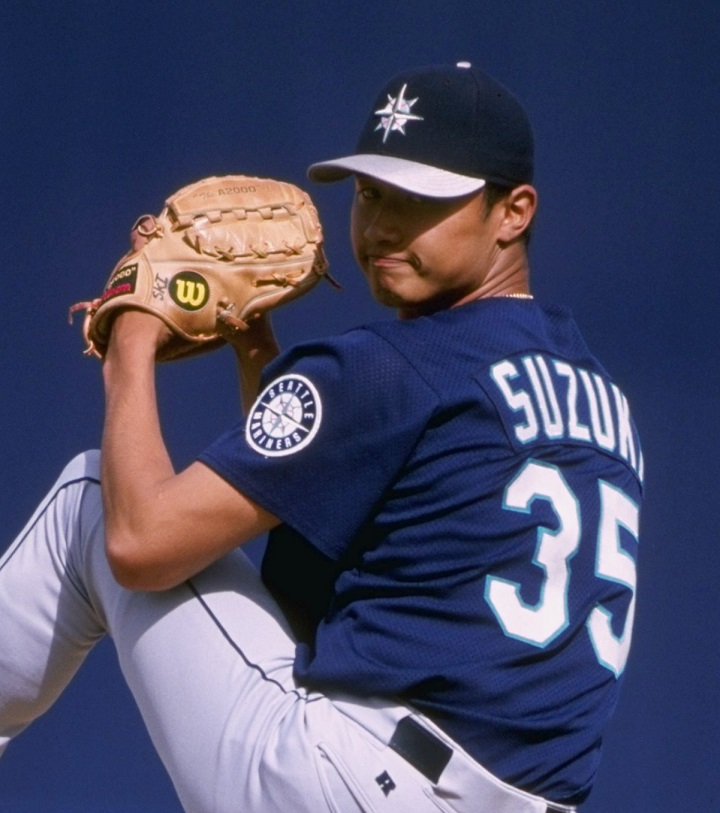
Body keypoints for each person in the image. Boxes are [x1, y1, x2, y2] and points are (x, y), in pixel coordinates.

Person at [0, 62, 643, 813]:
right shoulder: (597, 395)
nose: (382, 225)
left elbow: (141, 545)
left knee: (91, 495)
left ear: (513, 211)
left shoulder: (390, 368)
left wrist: (128, 335)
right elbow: (304, 595)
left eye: (421, 198)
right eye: (371, 193)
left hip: (357, 783)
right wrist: (256, 357)